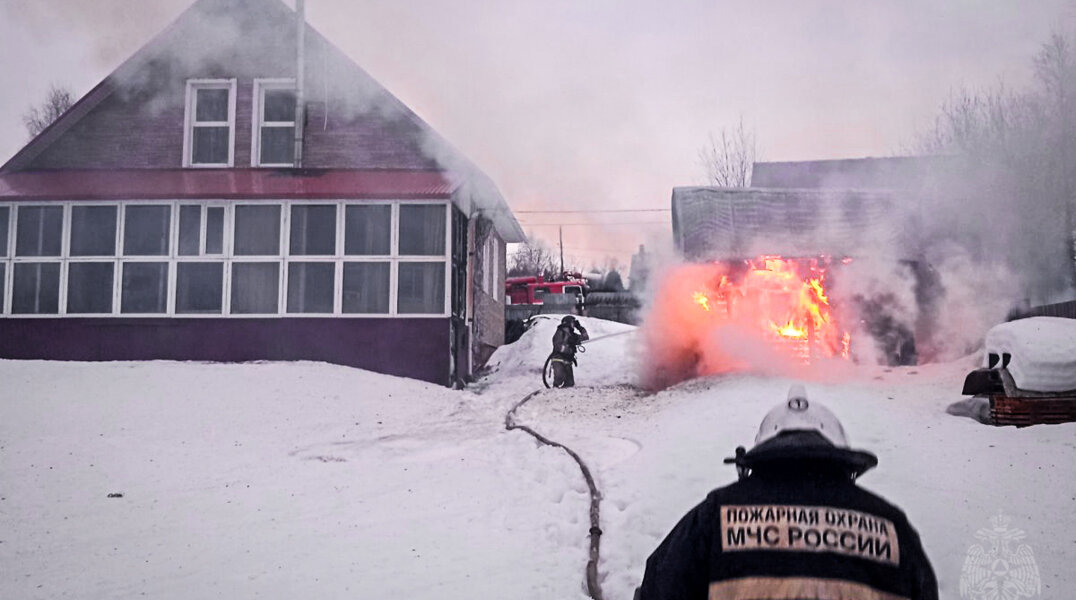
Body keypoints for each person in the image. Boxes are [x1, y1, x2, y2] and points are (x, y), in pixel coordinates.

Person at [636, 386, 938, 600]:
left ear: (756, 458)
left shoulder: (714, 516)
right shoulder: (891, 526)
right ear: (843, 461)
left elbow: (659, 588)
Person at [550, 315, 589, 388]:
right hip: (558, 360)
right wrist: (569, 348)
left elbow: (585, 337)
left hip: (568, 361)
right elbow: (557, 346)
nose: (573, 325)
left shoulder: (572, 335)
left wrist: (580, 328)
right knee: (559, 379)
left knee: (570, 384)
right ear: (567, 323)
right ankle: (554, 392)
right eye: (572, 323)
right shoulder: (560, 332)